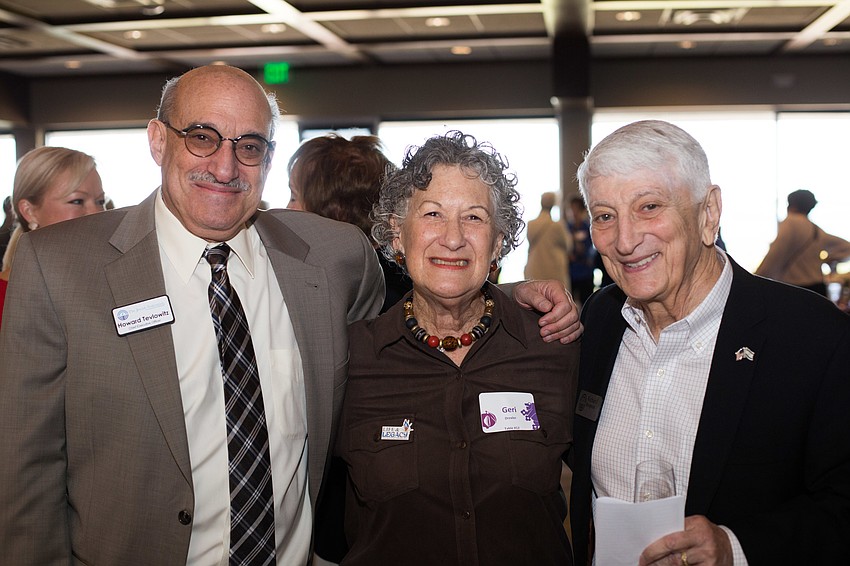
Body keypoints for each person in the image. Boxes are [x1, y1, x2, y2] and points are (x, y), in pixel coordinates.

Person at [0, 65, 581, 564]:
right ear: (157, 140)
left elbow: (430, 295)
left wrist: (513, 293)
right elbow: (24, 481)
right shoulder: (58, 268)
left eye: (250, 146)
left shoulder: (330, 258)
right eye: (202, 137)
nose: (226, 166)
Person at [569, 120, 850, 566]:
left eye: (649, 206)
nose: (624, 241)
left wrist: (735, 548)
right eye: (605, 215)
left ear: (708, 213)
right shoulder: (600, 320)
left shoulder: (813, 338)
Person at [337, 131, 580, 565]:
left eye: (474, 218)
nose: (452, 238)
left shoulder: (553, 346)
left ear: (499, 241)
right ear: (397, 234)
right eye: (432, 214)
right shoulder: (351, 359)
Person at [286, 133, 411, 313]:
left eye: (293, 197)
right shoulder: (396, 279)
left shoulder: (372, 301)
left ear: (335, 213)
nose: (287, 209)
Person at [0, 146, 106, 327]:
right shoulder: (5, 298)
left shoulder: (107, 286)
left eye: (100, 201)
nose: (97, 213)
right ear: (29, 211)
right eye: (77, 201)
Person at [755, 189, 850, 296]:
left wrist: (755, 279)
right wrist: (829, 259)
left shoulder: (790, 222)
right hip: (818, 288)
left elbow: (775, 255)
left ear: (791, 204)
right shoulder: (815, 230)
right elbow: (847, 247)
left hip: (795, 288)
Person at [525, 191, 573, 289]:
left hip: (534, 269)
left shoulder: (531, 224)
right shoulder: (557, 226)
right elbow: (569, 245)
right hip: (554, 271)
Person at [568, 195, 596, 305]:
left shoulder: (588, 227)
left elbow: (593, 249)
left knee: (587, 303)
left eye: (576, 209)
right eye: (571, 209)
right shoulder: (567, 228)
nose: (573, 213)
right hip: (571, 272)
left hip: (586, 272)